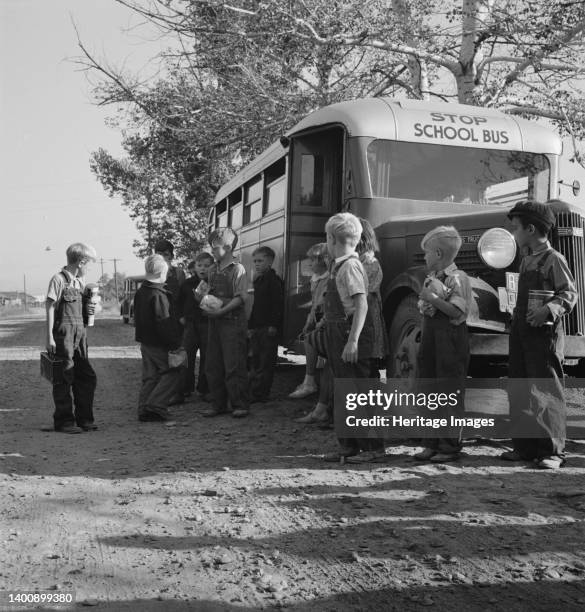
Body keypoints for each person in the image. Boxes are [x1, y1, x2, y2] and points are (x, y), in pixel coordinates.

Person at [501, 200, 577, 469]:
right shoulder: (526, 260)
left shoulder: (553, 259)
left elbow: (569, 294)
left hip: (544, 336)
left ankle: (552, 451)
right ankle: (525, 447)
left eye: (516, 228)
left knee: (545, 388)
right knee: (520, 386)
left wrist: (548, 310)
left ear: (531, 229)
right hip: (521, 332)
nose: (514, 234)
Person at [321, 212, 386, 463]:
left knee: (361, 392)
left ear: (331, 238)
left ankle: (373, 448)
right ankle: (348, 445)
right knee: (344, 391)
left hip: (350, 332)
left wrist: (353, 341)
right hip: (337, 331)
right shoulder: (337, 265)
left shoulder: (350, 266)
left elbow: (362, 305)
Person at [415, 225, 473, 463]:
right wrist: (427, 303)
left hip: (450, 341)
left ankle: (449, 446)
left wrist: (432, 299)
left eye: (427, 253)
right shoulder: (433, 278)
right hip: (431, 339)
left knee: (448, 391)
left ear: (438, 254)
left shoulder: (458, 278)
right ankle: (431, 442)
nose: (425, 257)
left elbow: (457, 311)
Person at [45, 243, 98, 434]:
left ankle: (85, 419)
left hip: (80, 334)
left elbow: (83, 311)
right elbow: (50, 307)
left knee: (87, 376)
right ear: (81, 261)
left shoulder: (80, 282)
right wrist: (49, 336)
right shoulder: (59, 280)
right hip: (63, 335)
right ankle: (64, 421)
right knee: (63, 376)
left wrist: (90, 310)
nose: (90, 268)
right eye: (89, 264)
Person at [202, 227, 250, 418]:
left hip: (233, 322)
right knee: (212, 364)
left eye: (215, 248)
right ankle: (218, 404)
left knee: (234, 364)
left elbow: (240, 298)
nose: (212, 251)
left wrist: (221, 310)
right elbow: (205, 290)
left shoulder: (238, 269)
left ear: (228, 248)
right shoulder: (213, 269)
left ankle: (240, 404)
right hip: (215, 322)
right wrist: (200, 297)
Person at [134, 254, 184, 422]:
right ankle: (156, 405)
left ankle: (143, 409)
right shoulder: (159, 295)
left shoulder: (141, 292)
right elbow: (164, 323)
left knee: (150, 377)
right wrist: (175, 343)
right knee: (173, 371)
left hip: (145, 342)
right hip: (159, 344)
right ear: (162, 273)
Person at [289, 242, 329, 401]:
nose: (309, 263)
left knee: (310, 340)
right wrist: (308, 322)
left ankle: (310, 380)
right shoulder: (316, 279)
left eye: (313, 260)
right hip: (318, 317)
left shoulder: (328, 279)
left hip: (326, 319)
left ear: (323, 260)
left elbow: (323, 303)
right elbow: (314, 303)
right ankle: (310, 379)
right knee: (308, 337)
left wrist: (316, 322)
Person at [248, 246, 284, 403]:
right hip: (257, 327)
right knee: (256, 360)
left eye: (260, 261)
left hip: (268, 328)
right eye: (254, 261)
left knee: (266, 361)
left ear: (270, 261)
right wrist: (250, 326)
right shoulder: (258, 280)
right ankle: (255, 390)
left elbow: (278, 305)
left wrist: (273, 325)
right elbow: (254, 306)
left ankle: (262, 393)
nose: (256, 264)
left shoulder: (274, 281)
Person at [154, 238, 187, 405]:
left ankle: (179, 392)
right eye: (159, 254)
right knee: (159, 357)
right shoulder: (151, 273)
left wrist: (182, 316)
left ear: (172, 256)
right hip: (159, 321)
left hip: (176, 320)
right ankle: (161, 393)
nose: (163, 258)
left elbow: (184, 296)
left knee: (177, 356)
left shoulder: (178, 273)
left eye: (166, 254)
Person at [356, 218, 390, 378]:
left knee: (367, 363)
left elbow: (363, 294)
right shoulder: (358, 261)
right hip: (361, 318)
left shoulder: (370, 263)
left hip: (367, 319)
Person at [177, 253, 213, 400]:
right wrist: (180, 317)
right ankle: (185, 388)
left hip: (207, 324)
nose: (202, 269)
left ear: (212, 267)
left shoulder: (214, 283)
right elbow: (178, 303)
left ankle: (204, 389)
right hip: (190, 325)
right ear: (194, 267)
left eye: (206, 265)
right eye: (199, 265)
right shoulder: (187, 284)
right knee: (186, 357)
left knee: (207, 357)